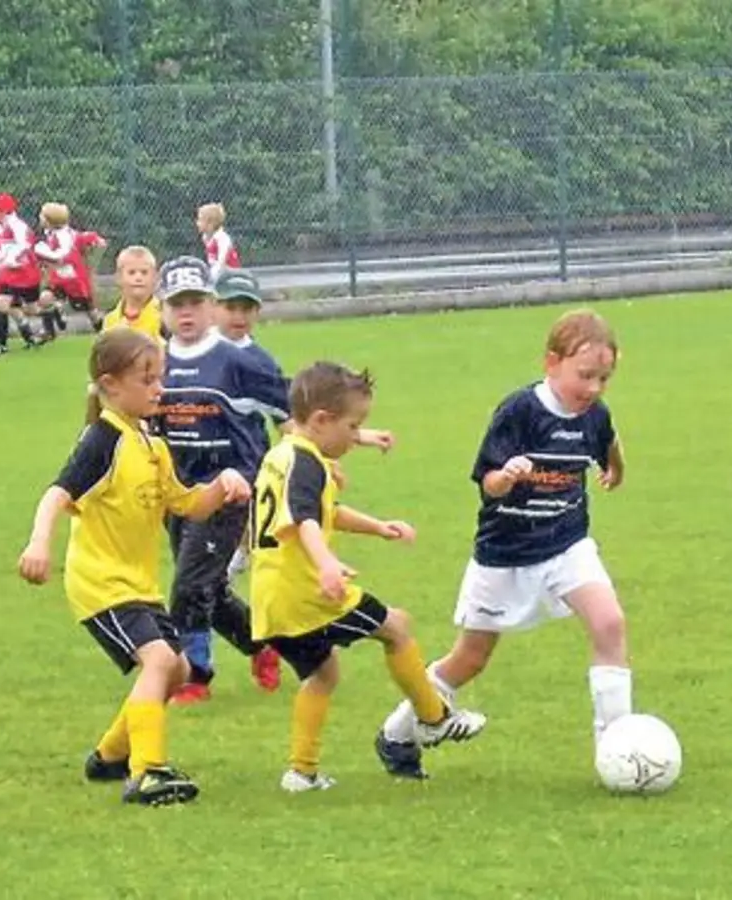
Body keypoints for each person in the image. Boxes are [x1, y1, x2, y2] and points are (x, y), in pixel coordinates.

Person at [374, 309, 629, 780]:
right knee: (470, 659)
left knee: (609, 623)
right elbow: (486, 482)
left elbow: (607, 442)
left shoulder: (595, 413)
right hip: (505, 555)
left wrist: (615, 467)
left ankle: (617, 750)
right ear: (551, 362)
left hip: (567, 543)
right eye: (585, 375)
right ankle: (397, 734)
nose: (593, 388)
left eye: (604, 378)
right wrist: (505, 476)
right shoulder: (519, 411)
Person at [17, 328, 251, 805]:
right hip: (99, 583)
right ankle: (147, 772)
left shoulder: (152, 444)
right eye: (148, 380)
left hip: (137, 585)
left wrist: (224, 484)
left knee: (180, 671)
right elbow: (57, 493)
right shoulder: (103, 439)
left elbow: (188, 505)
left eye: (160, 378)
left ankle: (109, 756)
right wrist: (40, 542)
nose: (158, 389)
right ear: (111, 384)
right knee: (160, 661)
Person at [252, 361, 486, 791]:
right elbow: (305, 519)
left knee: (322, 675)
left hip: (270, 598)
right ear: (322, 420)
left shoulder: (282, 454)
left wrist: (378, 527)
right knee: (395, 627)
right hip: (307, 592)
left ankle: (301, 772)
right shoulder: (307, 464)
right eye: (353, 425)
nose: (355, 435)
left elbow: (326, 512)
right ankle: (433, 718)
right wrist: (325, 564)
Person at [155, 257, 290, 703]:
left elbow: (289, 417)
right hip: (177, 494)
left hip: (231, 490)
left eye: (195, 302)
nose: (186, 312)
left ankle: (195, 674)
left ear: (211, 306)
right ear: (163, 310)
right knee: (207, 585)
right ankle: (260, 644)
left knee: (189, 585)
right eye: (177, 304)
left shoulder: (238, 363)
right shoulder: (154, 361)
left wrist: (309, 468)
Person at [212, 268, 395, 579]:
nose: (238, 316)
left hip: (245, 455)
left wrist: (322, 454)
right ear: (214, 307)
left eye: (247, 308)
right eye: (231, 307)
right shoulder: (193, 349)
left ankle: (238, 559)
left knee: (246, 516)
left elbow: (293, 416)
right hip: (198, 455)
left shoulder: (259, 362)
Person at [0, 193, 43, 355]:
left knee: (32, 309)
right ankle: (0, 345)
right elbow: (4, 251)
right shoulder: (3, 228)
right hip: (11, 274)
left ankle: (52, 311)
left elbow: (24, 245)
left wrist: (13, 258)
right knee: (2, 304)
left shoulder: (18, 226)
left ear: (3, 211)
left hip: (27, 273)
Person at [34, 202, 107, 334]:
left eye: (42, 215)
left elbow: (64, 252)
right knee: (45, 299)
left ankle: (103, 332)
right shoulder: (50, 234)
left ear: (51, 219)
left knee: (90, 311)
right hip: (58, 279)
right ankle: (48, 331)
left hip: (74, 280)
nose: (40, 218)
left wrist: (96, 242)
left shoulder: (66, 235)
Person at [100, 245, 167, 343]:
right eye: (131, 273)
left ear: (155, 277)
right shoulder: (110, 320)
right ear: (119, 278)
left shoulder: (163, 316)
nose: (138, 278)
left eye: (144, 272)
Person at [197, 203, 241, 282]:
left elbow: (221, 261)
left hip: (230, 273)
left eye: (200, 220)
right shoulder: (206, 237)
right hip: (217, 271)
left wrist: (213, 276)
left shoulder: (222, 238)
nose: (197, 223)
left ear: (210, 224)